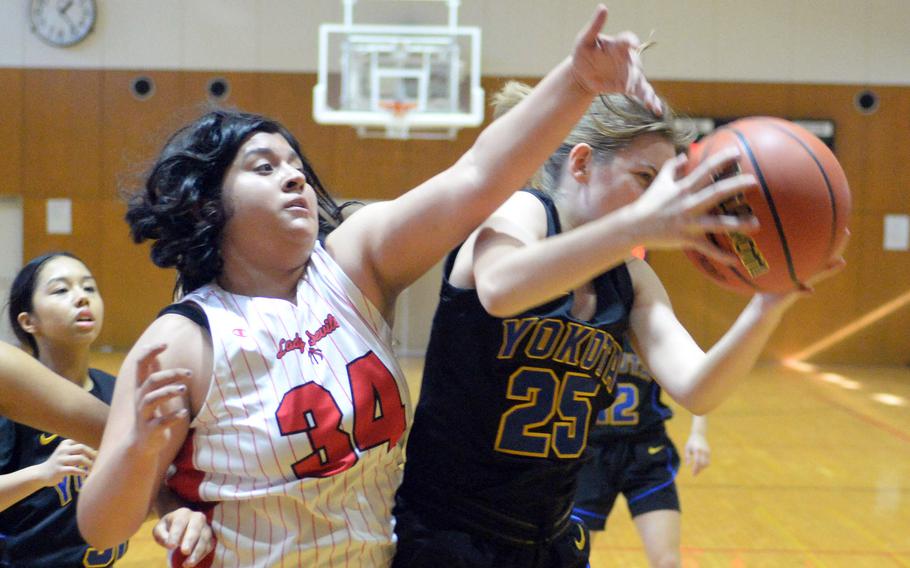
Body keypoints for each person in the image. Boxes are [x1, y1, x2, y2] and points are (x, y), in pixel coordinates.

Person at [76, 6, 664, 567]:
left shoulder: (353, 266)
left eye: (297, 168)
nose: (293, 178)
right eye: (264, 168)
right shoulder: (183, 341)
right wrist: (139, 453)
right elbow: (101, 528)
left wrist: (578, 82)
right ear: (208, 204)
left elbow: (478, 176)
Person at [391, 74, 846, 566]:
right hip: (449, 531)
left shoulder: (631, 277)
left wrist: (766, 306)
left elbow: (698, 388)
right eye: (645, 179)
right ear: (583, 163)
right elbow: (502, 289)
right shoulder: (520, 213)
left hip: (550, 536)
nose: (658, 201)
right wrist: (638, 225)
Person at [0, 253, 213, 568]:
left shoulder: (119, 392)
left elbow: (151, 480)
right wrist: (41, 474)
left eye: (89, 287)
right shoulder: (13, 406)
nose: (81, 297)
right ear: (28, 321)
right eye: (61, 290)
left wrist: (172, 510)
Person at [573, 333, 710, 568]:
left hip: (645, 451)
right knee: (573, 559)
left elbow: (701, 373)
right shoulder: (583, 327)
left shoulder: (650, 329)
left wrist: (698, 434)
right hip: (588, 455)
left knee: (667, 562)